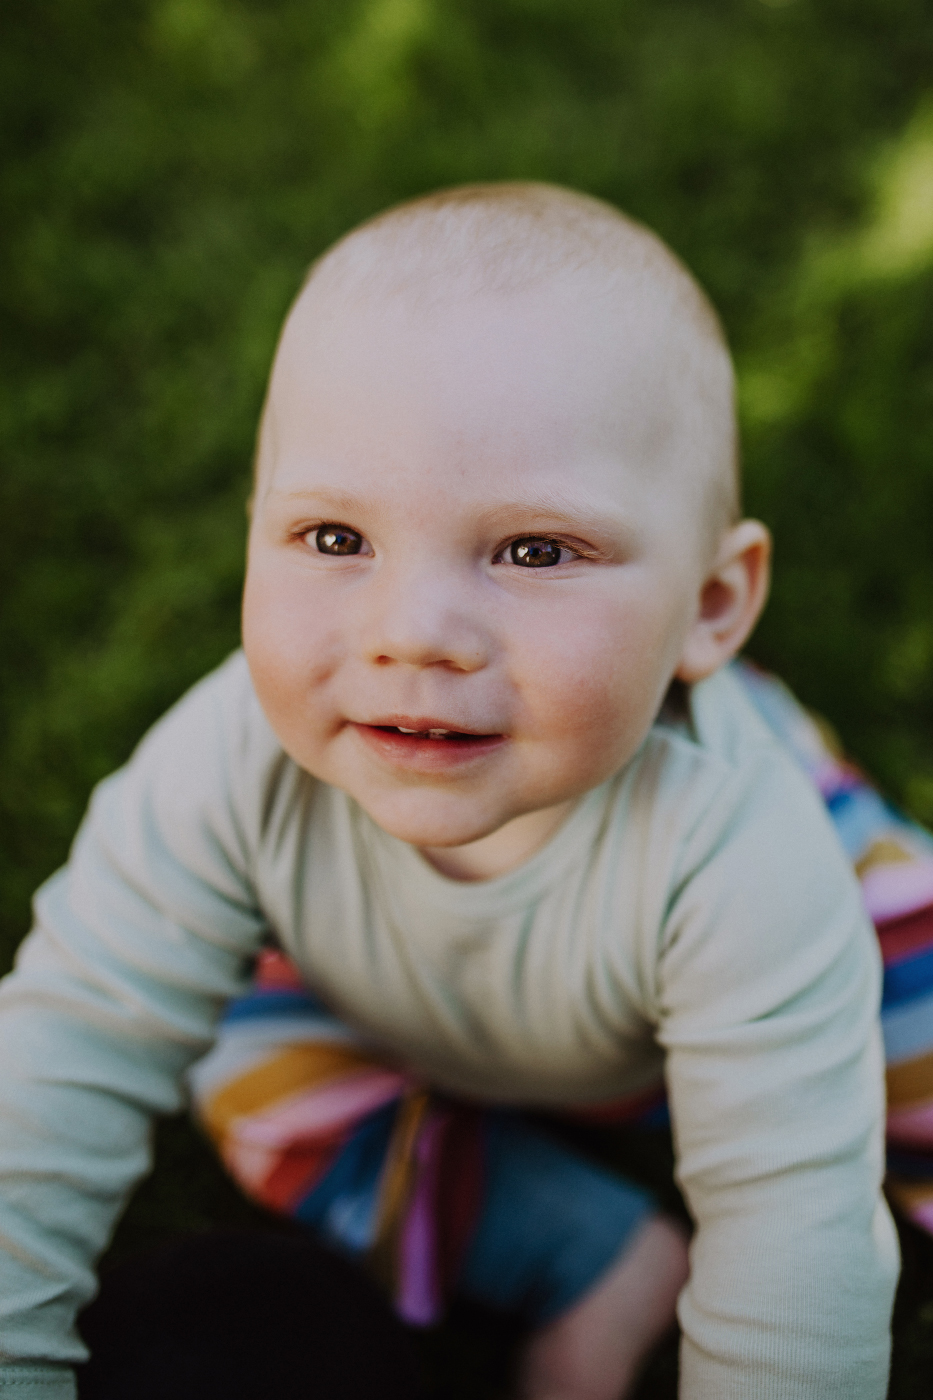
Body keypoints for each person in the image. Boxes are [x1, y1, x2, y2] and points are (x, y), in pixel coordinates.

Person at [0, 183, 901, 1400]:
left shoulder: (743, 851)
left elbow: (795, 1231)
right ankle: (590, 1254)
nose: (413, 630)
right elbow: (66, 1047)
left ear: (711, 606)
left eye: (534, 550)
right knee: (248, 1075)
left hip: (829, 949)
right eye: (334, 538)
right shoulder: (225, 765)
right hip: (407, 1011)